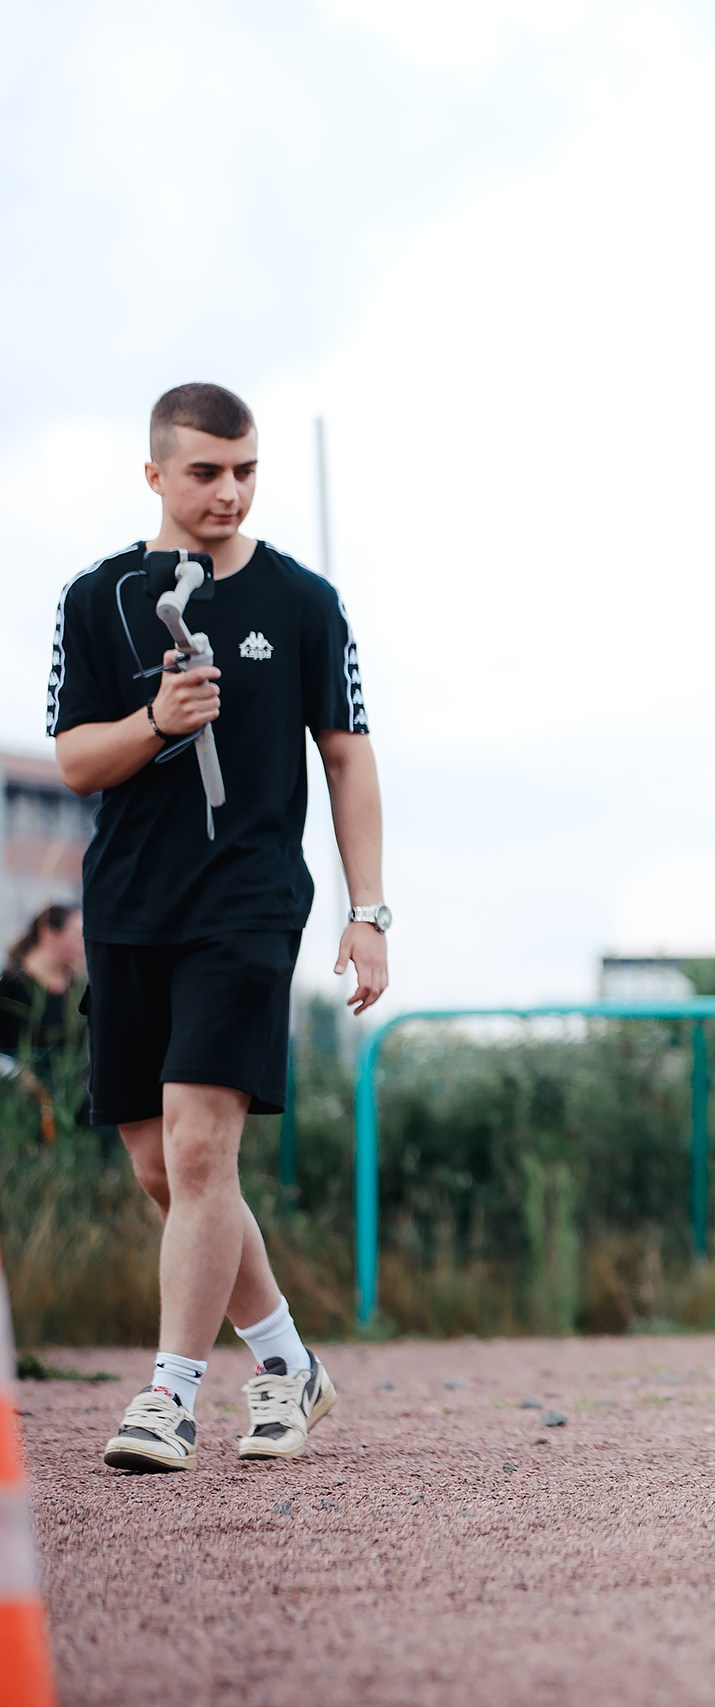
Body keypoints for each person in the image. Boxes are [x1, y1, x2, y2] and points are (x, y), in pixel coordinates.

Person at [48, 382, 393, 1472]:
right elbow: (70, 762)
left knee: (204, 1146)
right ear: (156, 474)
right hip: (130, 905)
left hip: (246, 900)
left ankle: (171, 1396)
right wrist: (156, 719)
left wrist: (368, 910)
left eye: (244, 469)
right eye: (205, 471)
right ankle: (291, 1367)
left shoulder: (304, 602)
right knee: (165, 1172)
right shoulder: (97, 599)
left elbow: (347, 756)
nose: (229, 490)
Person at [1, 902, 86, 1141]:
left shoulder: (79, 991)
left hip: (72, 1103)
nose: (83, 946)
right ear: (49, 933)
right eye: (77, 936)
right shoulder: (10, 986)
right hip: (19, 1106)